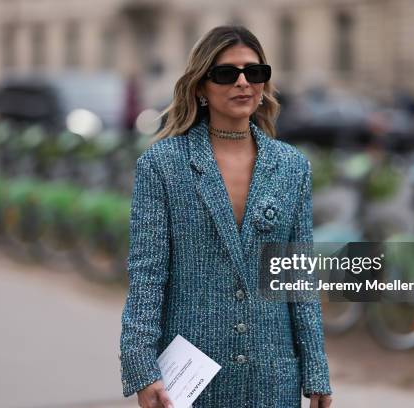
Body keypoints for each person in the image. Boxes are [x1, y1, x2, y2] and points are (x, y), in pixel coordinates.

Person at [119, 25, 332, 408]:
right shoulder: (162, 165)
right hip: (190, 379)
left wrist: (316, 370)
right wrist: (142, 368)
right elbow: (147, 275)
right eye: (225, 73)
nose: (242, 83)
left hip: (273, 375)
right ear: (200, 85)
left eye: (254, 73)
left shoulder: (292, 167)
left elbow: (297, 280)